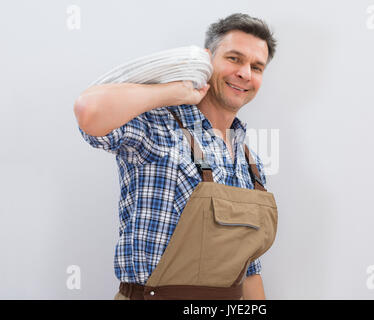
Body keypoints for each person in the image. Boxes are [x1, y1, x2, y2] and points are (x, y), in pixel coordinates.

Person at [74, 13, 278, 300]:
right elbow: (88, 110)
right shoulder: (159, 128)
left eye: (256, 67)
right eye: (234, 58)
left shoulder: (249, 161)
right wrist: (175, 91)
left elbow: (250, 271)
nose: (245, 73)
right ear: (207, 60)